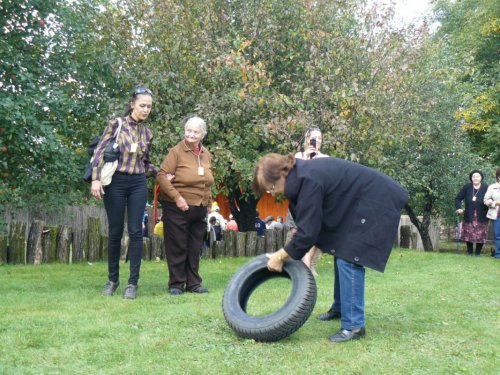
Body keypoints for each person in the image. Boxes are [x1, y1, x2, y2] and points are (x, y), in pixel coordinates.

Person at [253, 153, 408, 343]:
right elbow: (309, 226)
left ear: (281, 175)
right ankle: (340, 308)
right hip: (360, 200)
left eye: (271, 187)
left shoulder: (307, 180)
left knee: (349, 255)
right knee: (340, 249)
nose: (273, 193)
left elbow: (308, 233)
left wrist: (281, 256)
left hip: (375, 199)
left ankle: (354, 326)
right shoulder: (301, 177)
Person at [90, 87, 156, 299]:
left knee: (137, 232)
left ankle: (132, 284)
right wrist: (96, 179)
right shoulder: (116, 124)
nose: (146, 110)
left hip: (138, 182)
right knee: (116, 231)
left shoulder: (148, 133)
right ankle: (112, 280)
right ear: (132, 105)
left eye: (149, 106)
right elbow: (100, 151)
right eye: (142, 105)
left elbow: (145, 163)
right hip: (116, 181)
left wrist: (161, 172)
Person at [157, 116, 213, 295]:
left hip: (199, 207)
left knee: (195, 247)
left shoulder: (206, 154)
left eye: (195, 131)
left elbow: (207, 180)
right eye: (188, 130)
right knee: (177, 246)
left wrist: (209, 202)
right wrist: (177, 198)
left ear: (202, 134)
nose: (191, 134)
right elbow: (161, 175)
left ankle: (193, 284)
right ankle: (176, 284)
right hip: (177, 207)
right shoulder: (176, 151)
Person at [294, 127, 328, 275]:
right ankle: (304, 265)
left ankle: (309, 264)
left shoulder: (325, 158)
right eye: (314, 138)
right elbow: (296, 177)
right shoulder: (299, 155)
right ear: (307, 140)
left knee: (317, 234)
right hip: (300, 200)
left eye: (319, 138)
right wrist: (307, 159)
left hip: (318, 201)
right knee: (302, 232)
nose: (317, 141)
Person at [455, 170, 489, 256]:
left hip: (482, 215)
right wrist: (459, 208)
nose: (475, 178)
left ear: (481, 178)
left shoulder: (486, 187)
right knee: (468, 233)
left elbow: (490, 198)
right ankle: (469, 252)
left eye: (477, 176)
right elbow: (458, 198)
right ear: (471, 178)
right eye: (474, 176)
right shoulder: (467, 187)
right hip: (469, 214)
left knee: (481, 234)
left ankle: (478, 253)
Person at [484, 168, 500, 259]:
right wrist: (491, 202)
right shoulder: (492, 187)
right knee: (498, 236)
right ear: (498, 177)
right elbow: (485, 200)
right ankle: (498, 254)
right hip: (496, 215)